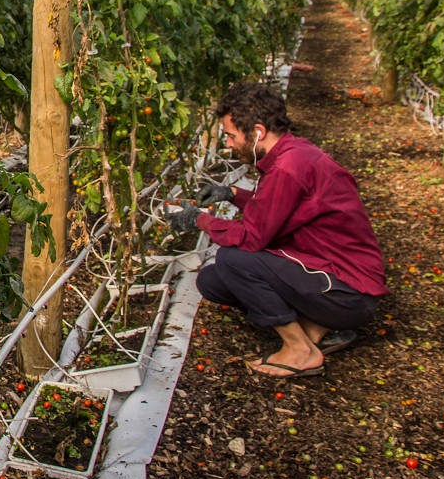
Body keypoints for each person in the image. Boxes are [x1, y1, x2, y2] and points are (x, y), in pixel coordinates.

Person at [166, 81, 388, 379]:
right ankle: (317, 326)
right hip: (337, 282)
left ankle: (301, 350)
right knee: (213, 280)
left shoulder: (288, 168)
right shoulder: (293, 155)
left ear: (257, 131)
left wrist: (199, 220)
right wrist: (231, 193)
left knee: (233, 259)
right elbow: (275, 210)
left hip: (348, 294)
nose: (229, 144)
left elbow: (253, 238)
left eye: (231, 135)